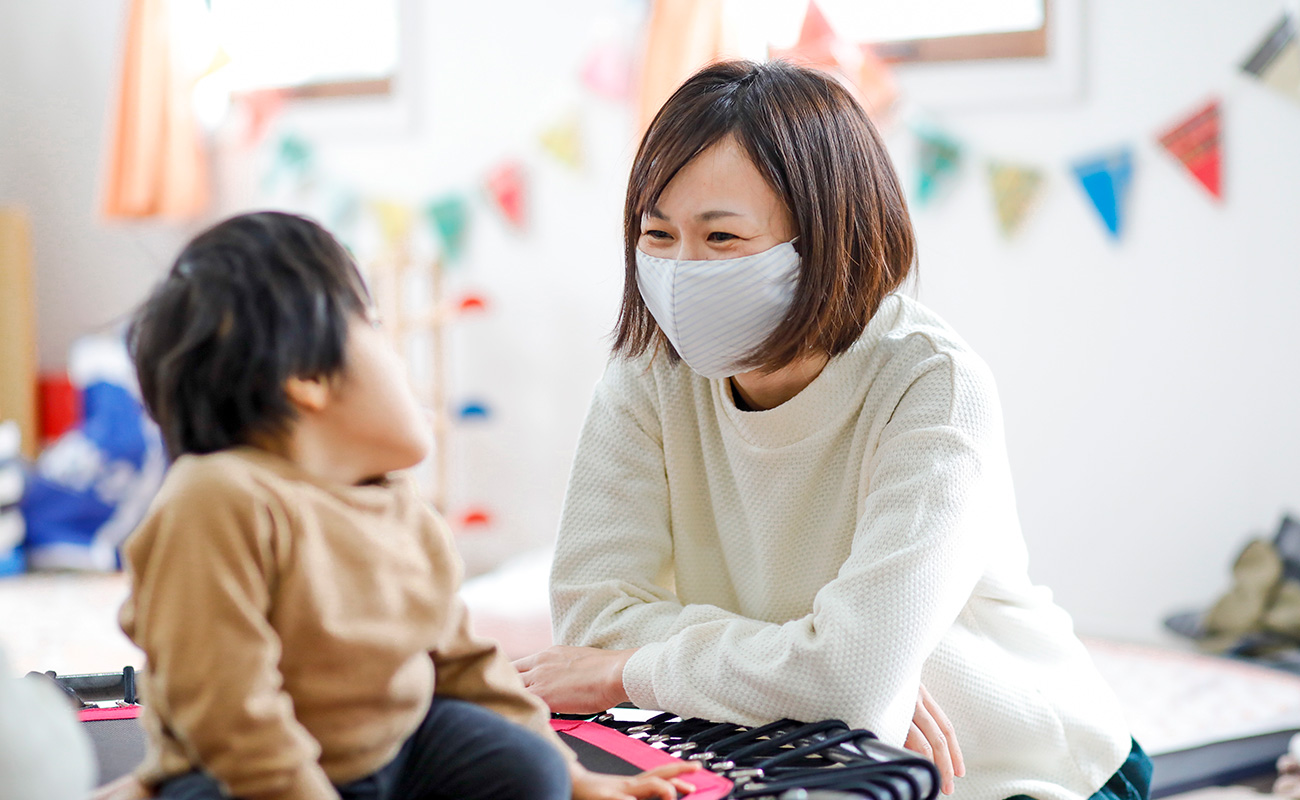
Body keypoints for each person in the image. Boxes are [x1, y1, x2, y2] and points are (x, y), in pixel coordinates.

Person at [514, 60, 1150, 800]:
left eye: (721, 238)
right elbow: (592, 620)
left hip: (1019, 766)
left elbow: (844, 679)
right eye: (657, 234)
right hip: (793, 750)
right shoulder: (648, 373)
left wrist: (630, 672)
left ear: (824, 235)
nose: (681, 272)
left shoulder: (933, 385)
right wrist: (828, 681)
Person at [96, 212, 697, 800]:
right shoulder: (219, 498)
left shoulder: (397, 508)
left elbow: (464, 665)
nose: (398, 357)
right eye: (376, 325)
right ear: (308, 375)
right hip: (248, 771)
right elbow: (230, 710)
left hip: (393, 750)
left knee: (525, 767)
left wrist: (571, 774)